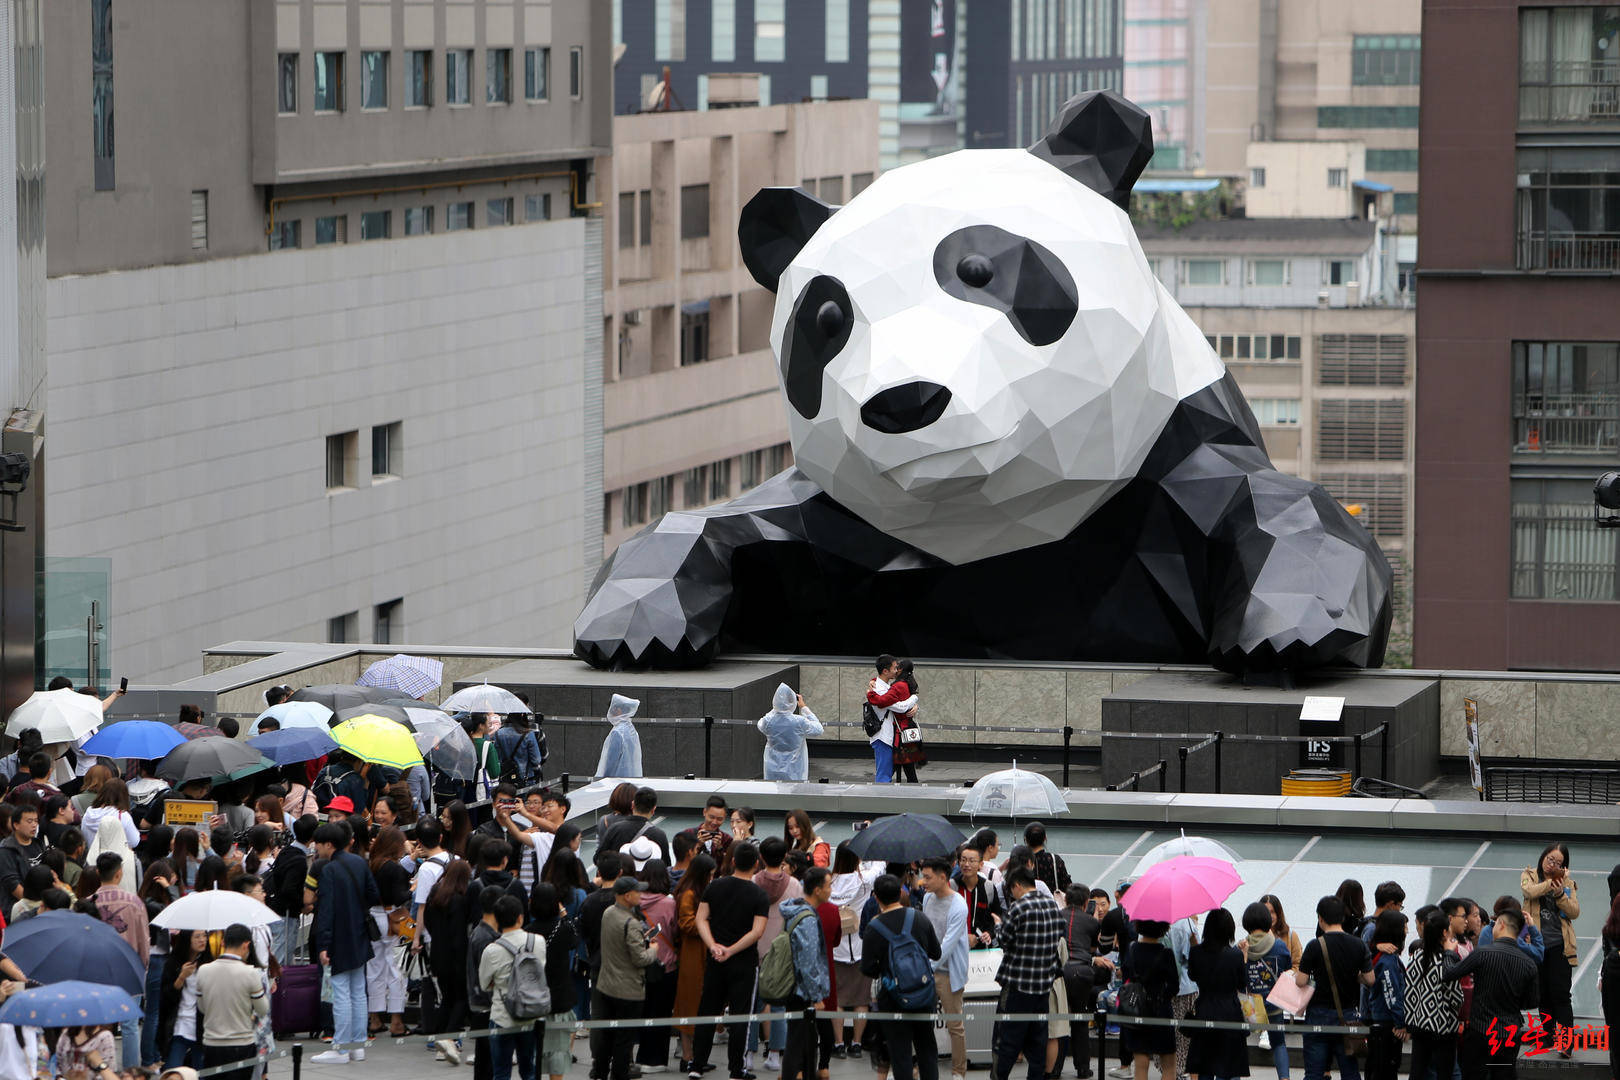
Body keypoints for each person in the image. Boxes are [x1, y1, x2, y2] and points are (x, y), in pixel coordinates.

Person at [690, 841, 770, 1080]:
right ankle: (737, 1068)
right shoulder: (759, 894)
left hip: (715, 960)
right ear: (756, 864)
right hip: (744, 962)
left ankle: (697, 1064)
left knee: (708, 1010)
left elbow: (700, 919)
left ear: (733, 861)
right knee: (741, 1015)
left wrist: (713, 945)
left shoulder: (715, 886)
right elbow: (757, 932)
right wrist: (732, 950)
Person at [309, 821, 382, 1065]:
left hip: (338, 937)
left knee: (340, 992)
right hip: (359, 933)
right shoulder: (360, 862)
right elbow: (373, 894)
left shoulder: (329, 870)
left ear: (329, 844)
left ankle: (340, 1047)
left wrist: (323, 944)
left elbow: (326, 910)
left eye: (318, 844)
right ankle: (357, 1045)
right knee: (358, 991)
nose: (316, 848)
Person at [1442, 904, 1539, 1079]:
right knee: (1502, 1074)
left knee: (1475, 1074)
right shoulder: (1528, 963)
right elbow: (1532, 1002)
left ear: (1501, 925)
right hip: (1510, 1034)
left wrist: (1449, 953)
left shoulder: (1482, 953)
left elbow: (1449, 973)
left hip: (1481, 1031)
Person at [861, 873, 942, 1080]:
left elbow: (868, 968)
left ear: (876, 897)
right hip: (924, 994)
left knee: (900, 1054)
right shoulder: (919, 917)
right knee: (927, 1050)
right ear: (900, 893)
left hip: (893, 997)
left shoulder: (874, 927)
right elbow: (936, 953)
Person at [1294, 896, 1375, 1080]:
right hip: (1347, 1015)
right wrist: (1355, 977)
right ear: (1343, 918)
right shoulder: (1358, 945)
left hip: (1318, 1015)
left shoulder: (1315, 946)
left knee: (1314, 1072)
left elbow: (1300, 981)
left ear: (1320, 919)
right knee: (1350, 1072)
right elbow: (1370, 979)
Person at [992, 867, 1062, 1080]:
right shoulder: (1053, 906)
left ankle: (999, 1077)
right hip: (1043, 985)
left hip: (1018, 986)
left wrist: (998, 925)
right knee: (1038, 1040)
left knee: (1007, 1040)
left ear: (1017, 885)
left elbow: (1004, 939)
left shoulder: (1019, 907)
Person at [595, 876, 661, 1080]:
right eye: (637, 892)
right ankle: (619, 1075)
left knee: (605, 1036)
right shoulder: (630, 923)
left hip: (606, 985)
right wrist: (653, 950)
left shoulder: (608, 913)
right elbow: (640, 959)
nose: (641, 895)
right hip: (628, 990)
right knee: (624, 1041)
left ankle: (599, 1073)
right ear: (627, 895)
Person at [1520, 841, 1578, 1055]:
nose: (1551, 865)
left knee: (1561, 995)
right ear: (1543, 857)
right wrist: (1552, 882)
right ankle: (1547, 1036)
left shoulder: (1568, 883)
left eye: (1558, 863)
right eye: (1550, 859)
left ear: (1564, 866)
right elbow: (1529, 892)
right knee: (1542, 994)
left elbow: (1574, 912)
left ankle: (1565, 1043)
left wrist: (1560, 892)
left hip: (1560, 946)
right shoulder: (1529, 874)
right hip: (1535, 945)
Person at [754, 837, 805, 1072]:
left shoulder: (754, 881)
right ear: (784, 857)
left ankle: (748, 1053)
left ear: (761, 857)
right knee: (779, 1005)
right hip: (784, 951)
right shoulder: (794, 884)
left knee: (753, 1005)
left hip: (756, 948)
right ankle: (775, 1054)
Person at [195, 922, 269, 1080]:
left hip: (212, 1042)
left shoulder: (203, 970)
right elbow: (263, 1009)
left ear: (223, 943)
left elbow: (202, 1007)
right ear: (246, 945)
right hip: (242, 1042)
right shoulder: (250, 973)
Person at [781, 867, 834, 1080]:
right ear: (818, 890)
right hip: (802, 991)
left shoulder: (794, 910)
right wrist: (815, 995)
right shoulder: (808, 919)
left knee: (798, 1040)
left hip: (793, 985)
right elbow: (808, 960)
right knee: (799, 1042)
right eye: (828, 885)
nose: (831, 890)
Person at [920, 858, 968, 1080]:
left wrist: (927, 968)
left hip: (948, 973)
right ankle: (923, 1067)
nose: (923, 881)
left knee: (955, 1025)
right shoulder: (928, 897)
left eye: (928, 877)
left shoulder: (958, 905)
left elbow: (947, 945)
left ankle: (958, 1071)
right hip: (928, 971)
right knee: (921, 1024)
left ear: (943, 877)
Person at [423, 858, 474, 1064]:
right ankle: (449, 1037)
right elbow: (458, 935)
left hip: (437, 953)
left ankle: (440, 1036)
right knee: (462, 998)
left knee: (447, 997)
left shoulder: (436, 894)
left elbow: (427, 921)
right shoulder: (460, 899)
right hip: (456, 957)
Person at [831, 842, 879, 1057]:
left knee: (838, 1001)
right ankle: (857, 1044)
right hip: (860, 948)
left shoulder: (828, 883)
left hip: (836, 948)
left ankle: (839, 1044)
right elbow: (880, 866)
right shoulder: (863, 881)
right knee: (861, 1000)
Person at [1405, 908, 1464, 1080]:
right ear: (1445, 932)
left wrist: (1410, 1020)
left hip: (1419, 1025)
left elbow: (1409, 992)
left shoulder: (1417, 955)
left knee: (1417, 1070)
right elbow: (1456, 998)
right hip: (1444, 1028)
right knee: (1444, 1073)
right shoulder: (1447, 960)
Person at [530, 883, 581, 1080]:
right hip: (559, 999)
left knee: (534, 1054)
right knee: (558, 1055)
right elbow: (576, 938)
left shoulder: (528, 931)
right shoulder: (564, 929)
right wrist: (564, 913)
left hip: (534, 1000)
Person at [672, 852, 717, 1071]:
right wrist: (709, 923)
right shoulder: (690, 894)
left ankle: (691, 1056)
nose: (712, 878)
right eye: (709, 874)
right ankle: (688, 1057)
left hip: (697, 952)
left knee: (694, 1003)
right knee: (690, 1004)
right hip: (692, 953)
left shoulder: (692, 890)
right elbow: (686, 924)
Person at [367, 825, 412, 1037]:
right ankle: (396, 1020)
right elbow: (398, 896)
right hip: (394, 917)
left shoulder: (372, 864)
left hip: (373, 918)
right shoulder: (394, 868)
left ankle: (374, 1018)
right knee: (396, 968)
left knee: (374, 969)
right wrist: (411, 888)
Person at [1363, 909, 1407, 1080]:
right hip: (1386, 1024)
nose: (1406, 931)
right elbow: (1392, 994)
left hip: (1383, 1021)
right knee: (1385, 1070)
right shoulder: (1388, 961)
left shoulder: (1386, 957)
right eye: (1404, 927)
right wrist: (1400, 1022)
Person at [865, 655, 915, 785]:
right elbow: (901, 707)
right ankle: (881, 803)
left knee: (887, 772)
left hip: (889, 736)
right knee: (884, 775)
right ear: (885, 671)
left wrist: (915, 706)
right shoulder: (879, 690)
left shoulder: (885, 686)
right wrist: (914, 699)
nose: (897, 670)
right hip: (883, 737)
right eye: (894, 667)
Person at [758, 684, 824, 782]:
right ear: (793, 701)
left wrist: (776, 709)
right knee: (794, 794)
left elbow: (761, 723)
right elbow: (819, 729)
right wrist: (804, 708)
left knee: (774, 794)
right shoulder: (799, 722)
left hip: (772, 770)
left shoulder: (767, 721)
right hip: (795, 770)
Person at [599, 786, 672, 865]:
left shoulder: (615, 829)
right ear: (653, 809)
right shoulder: (659, 835)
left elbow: (598, 858)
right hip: (646, 877)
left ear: (633, 805)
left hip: (619, 876)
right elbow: (666, 865)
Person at [0, 803, 44, 920]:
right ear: (16, 825)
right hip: (19, 910)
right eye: (29, 821)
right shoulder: (6, 850)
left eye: (36, 821)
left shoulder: (38, 844)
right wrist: (35, 904)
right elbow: (12, 884)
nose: (34, 825)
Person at [888, 660, 925, 783]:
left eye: (897, 667)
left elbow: (890, 703)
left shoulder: (898, 686)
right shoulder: (909, 684)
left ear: (901, 670)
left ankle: (879, 789)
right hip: (908, 730)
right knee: (909, 768)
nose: (895, 670)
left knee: (892, 768)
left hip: (900, 732)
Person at [597, 694, 644, 779]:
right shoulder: (630, 728)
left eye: (611, 709)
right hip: (630, 777)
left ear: (618, 710)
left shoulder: (617, 732)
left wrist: (604, 778)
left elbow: (611, 761)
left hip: (616, 780)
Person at [495, 712, 545, 787]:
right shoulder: (528, 734)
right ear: (522, 716)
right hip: (525, 778)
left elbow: (498, 757)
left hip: (505, 777)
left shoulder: (499, 733)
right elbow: (536, 760)